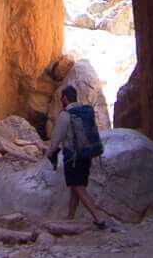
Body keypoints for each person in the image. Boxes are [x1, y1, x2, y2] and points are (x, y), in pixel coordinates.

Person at [47, 83, 120, 229]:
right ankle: (70, 216)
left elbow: (56, 137)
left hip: (73, 157)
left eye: (62, 98)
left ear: (65, 98)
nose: (62, 101)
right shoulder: (84, 112)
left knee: (78, 186)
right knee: (75, 186)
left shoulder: (66, 115)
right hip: (87, 155)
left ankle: (98, 217)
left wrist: (50, 152)